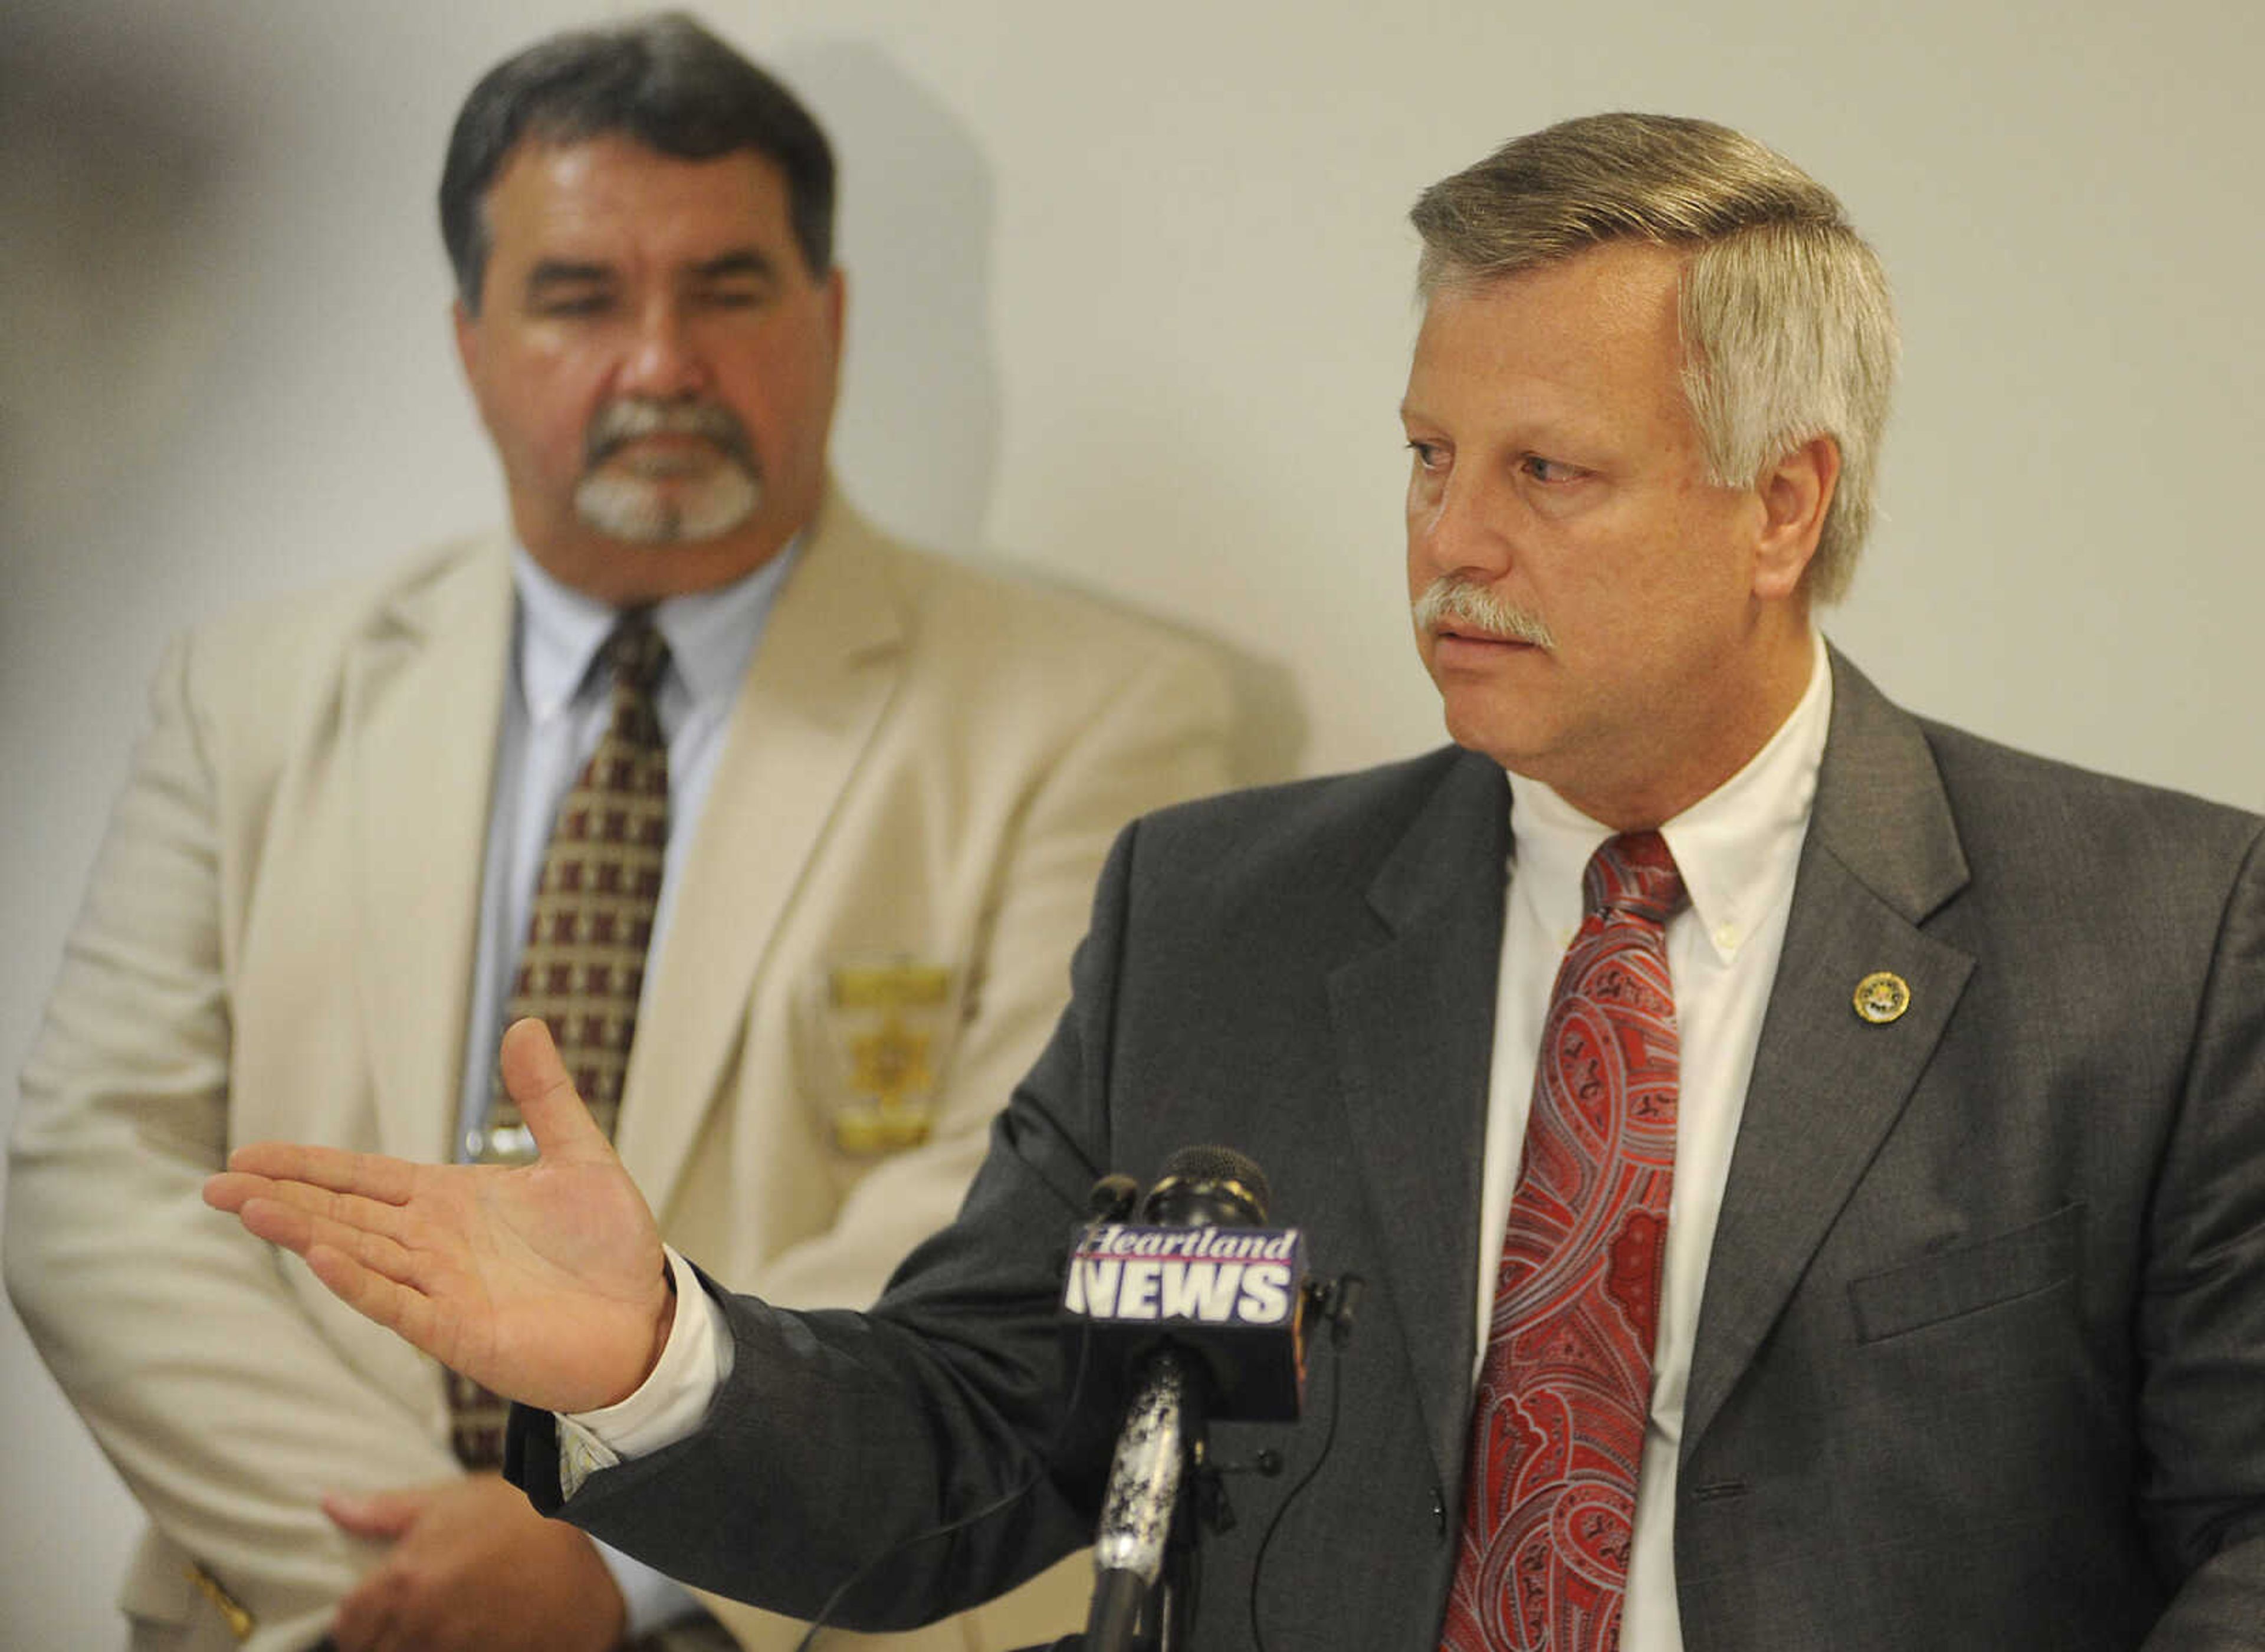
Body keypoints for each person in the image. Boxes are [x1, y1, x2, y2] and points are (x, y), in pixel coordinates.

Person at [201, 112, 2265, 1650]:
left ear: (1780, 504)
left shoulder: (2158, 944)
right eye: (1425, 458)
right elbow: (976, 1440)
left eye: (1547, 473)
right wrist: (654, 1346)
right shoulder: (1223, 913)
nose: (1453, 544)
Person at [6, 15, 1238, 1652]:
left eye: (726, 290)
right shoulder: (248, 692)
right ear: (468, 339)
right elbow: (96, 1176)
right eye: (581, 296)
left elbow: (991, 1227)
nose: (659, 360)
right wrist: (432, 1576)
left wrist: (623, 1556)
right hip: (294, 1617)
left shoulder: (1103, 714)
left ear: (836, 318)